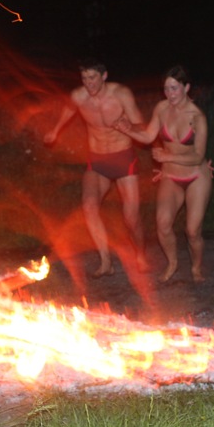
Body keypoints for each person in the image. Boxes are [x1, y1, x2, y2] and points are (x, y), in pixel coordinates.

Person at [44, 59, 148, 277]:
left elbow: (141, 125)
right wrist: (55, 130)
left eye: (92, 77)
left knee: (131, 218)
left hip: (123, 157)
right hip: (98, 159)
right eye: (84, 78)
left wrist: (128, 126)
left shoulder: (121, 94)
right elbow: (68, 109)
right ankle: (105, 261)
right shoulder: (78, 96)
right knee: (89, 206)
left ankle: (140, 253)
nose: (88, 83)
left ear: (104, 76)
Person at [115, 65, 212, 284]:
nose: (170, 93)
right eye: (166, 89)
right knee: (163, 224)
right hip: (171, 176)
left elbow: (198, 156)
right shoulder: (161, 108)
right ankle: (172, 263)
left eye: (174, 88)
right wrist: (127, 130)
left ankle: (196, 268)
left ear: (186, 87)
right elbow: (149, 136)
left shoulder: (197, 117)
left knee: (192, 231)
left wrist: (168, 156)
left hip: (197, 176)